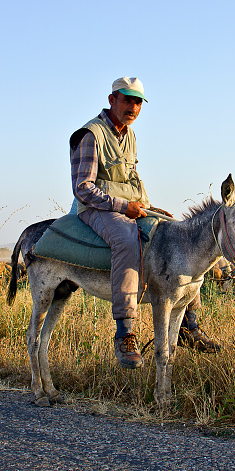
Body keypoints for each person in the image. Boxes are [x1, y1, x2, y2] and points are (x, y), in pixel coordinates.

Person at [70, 76, 219, 370]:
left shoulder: (130, 135)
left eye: (138, 102)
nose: (133, 107)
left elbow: (133, 179)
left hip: (129, 206)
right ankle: (125, 331)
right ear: (112, 100)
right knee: (127, 241)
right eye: (127, 100)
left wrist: (149, 207)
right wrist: (126, 207)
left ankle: (191, 323)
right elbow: (83, 188)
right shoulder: (91, 134)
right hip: (96, 208)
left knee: (178, 234)